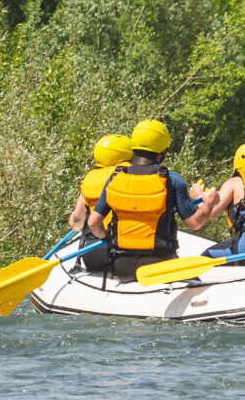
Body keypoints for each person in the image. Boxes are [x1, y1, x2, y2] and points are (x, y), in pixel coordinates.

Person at [78, 118, 215, 281]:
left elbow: (93, 223)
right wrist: (209, 203)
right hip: (160, 265)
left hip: (122, 267)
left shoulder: (115, 178)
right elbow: (195, 223)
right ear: (161, 152)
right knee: (198, 284)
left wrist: (108, 238)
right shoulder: (172, 180)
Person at [65, 133, 133, 240]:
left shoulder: (90, 181)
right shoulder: (129, 177)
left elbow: (75, 223)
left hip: (94, 243)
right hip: (122, 241)